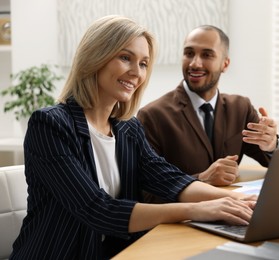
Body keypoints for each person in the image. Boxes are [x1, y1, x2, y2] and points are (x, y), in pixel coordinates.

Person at [10, 16, 257, 259]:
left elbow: (171, 181)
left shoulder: (128, 130)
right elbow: (98, 210)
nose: (136, 73)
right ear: (95, 57)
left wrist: (244, 200)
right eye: (125, 58)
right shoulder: (50, 124)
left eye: (143, 64)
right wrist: (198, 210)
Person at [137, 25, 279, 188]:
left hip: (234, 209)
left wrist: (273, 144)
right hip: (184, 213)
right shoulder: (152, 116)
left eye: (207, 55)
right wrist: (201, 179)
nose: (195, 64)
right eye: (189, 53)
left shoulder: (241, 109)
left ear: (225, 64)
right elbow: (145, 192)